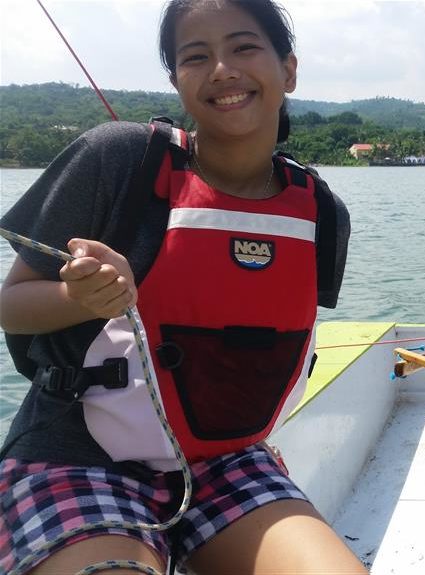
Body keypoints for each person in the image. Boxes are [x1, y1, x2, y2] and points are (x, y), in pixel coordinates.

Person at [0, 1, 367, 573]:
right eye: (195, 57)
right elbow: (9, 307)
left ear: (288, 69)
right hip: (75, 452)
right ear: (177, 81)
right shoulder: (118, 158)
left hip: (227, 460)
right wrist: (78, 298)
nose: (222, 68)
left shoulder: (322, 213)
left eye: (244, 47)